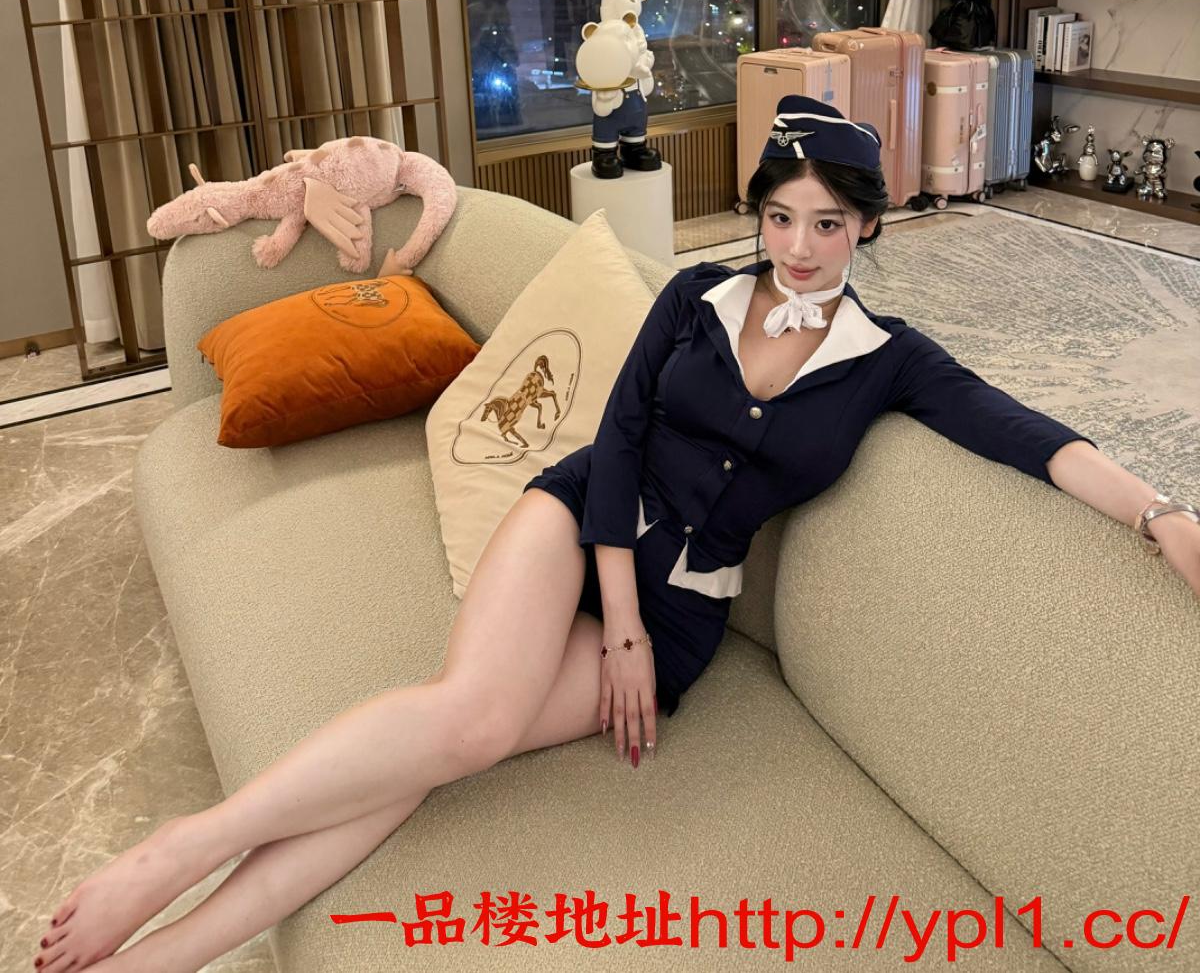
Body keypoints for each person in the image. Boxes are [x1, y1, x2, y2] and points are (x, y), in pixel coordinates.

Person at [33, 96, 1199, 973]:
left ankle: (167, 953)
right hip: (583, 522)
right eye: (780, 217)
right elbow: (624, 434)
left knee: (445, 753)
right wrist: (623, 623)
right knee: (470, 715)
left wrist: (1161, 513)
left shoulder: (893, 361)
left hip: (687, 614)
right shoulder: (693, 299)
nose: (798, 247)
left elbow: (1031, 436)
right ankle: (185, 849)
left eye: (828, 224)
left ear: (869, 228)